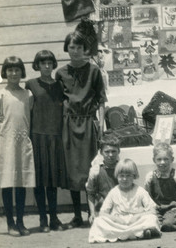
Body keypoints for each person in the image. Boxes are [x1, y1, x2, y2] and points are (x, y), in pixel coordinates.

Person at [56, 21, 107, 228]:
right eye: (71, 47)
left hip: (88, 123)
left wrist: (101, 126)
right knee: (72, 170)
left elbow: (102, 101)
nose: (75, 51)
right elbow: (58, 102)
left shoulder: (94, 71)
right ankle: (77, 214)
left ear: (84, 49)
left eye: (78, 47)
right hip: (68, 124)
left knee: (90, 170)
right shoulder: (60, 73)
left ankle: (91, 213)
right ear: (67, 49)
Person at [0, 56, 35, 236]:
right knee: (7, 184)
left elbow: (30, 118)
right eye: (10, 70)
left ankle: (20, 222)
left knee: (21, 184)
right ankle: (10, 224)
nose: (13, 73)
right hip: (5, 144)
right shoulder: (0, 94)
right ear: (5, 72)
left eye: (17, 70)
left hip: (22, 143)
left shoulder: (28, 95)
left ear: (22, 72)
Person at [25, 50, 67, 232]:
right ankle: (42, 218)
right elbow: (26, 112)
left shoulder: (60, 85)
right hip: (37, 136)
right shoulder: (31, 84)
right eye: (43, 63)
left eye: (50, 62)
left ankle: (54, 217)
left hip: (55, 137)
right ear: (37, 65)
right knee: (40, 179)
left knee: (52, 179)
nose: (47, 66)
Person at [88, 159, 161, 243]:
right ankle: (139, 233)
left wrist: (138, 216)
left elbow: (152, 210)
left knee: (152, 218)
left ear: (134, 176)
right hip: (118, 223)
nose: (124, 179)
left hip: (136, 221)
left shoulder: (140, 191)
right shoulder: (113, 192)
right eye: (121, 176)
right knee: (99, 221)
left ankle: (142, 232)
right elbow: (103, 213)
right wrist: (115, 218)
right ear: (117, 176)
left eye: (128, 176)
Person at [144, 142, 176, 232]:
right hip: (156, 208)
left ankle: (173, 225)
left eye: (166, 159)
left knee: (167, 224)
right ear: (154, 160)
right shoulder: (150, 177)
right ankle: (156, 227)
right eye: (159, 159)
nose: (162, 162)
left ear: (172, 159)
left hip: (172, 208)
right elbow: (148, 196)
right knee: (148, 222)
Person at [86, 134, 121, 225]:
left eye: (114, 151)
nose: (110, 155)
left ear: (119, 151)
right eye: (107, 151)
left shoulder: (123, 168)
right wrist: (92, 213)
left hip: (122, 207)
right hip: (104, 208)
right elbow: (90, 193)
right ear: (101, 152)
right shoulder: (95, 171)